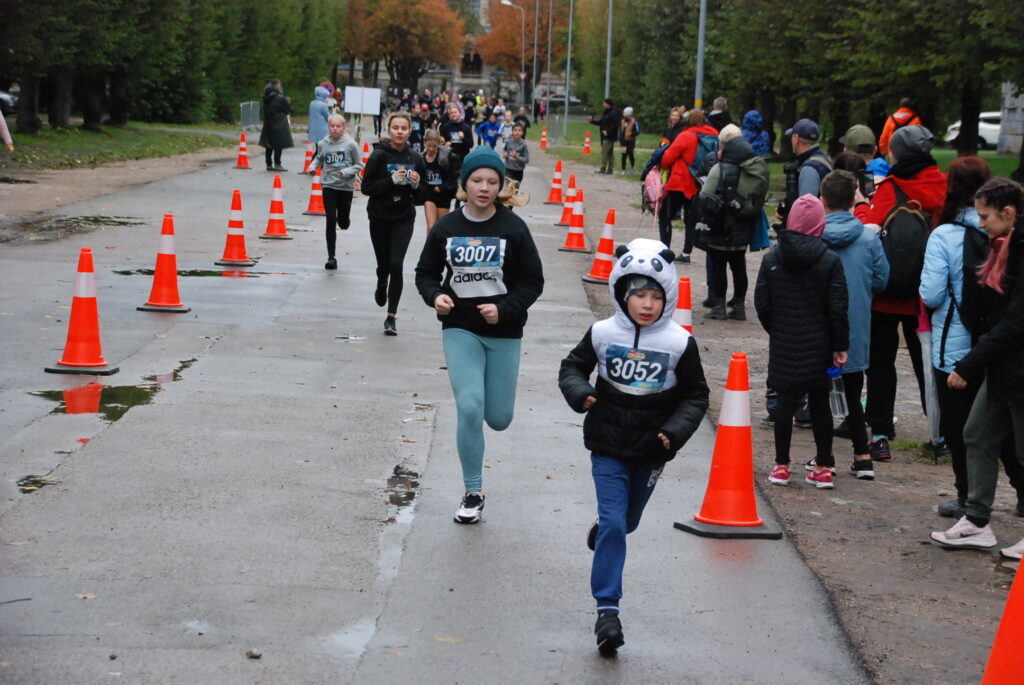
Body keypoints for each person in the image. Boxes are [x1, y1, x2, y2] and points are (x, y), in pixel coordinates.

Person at [558, 238, 709, 656]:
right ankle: (607, 611)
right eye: (639, 295)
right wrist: (581, 392)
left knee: (626, 522)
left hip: (651, 449)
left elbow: (696, 396)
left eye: (656, 296)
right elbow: (572, 367)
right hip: (607, 445)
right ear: (622, 292)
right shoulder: (603, 333)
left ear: (668, 297)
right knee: (613, 522)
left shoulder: (679, 342)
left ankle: (608, 529)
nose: (647, 304)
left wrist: (674, 432)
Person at [415, 146, 544, 526]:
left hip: (504, 331)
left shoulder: (513, 229)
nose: (484, 188)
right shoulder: (446, 228)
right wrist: (435, 296)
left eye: (491, 181)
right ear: (464, 184)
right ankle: (473, 492)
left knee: (499, 418)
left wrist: (504, 309)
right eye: (477, 181)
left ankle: (486, 440)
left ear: (500, 186)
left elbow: (532, 282)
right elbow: (425, 274)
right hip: (460, 328)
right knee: (470, 407)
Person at [919, 160, 1024, 520]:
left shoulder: (948, 236)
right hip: (996, 353)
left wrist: (968, 362)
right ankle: (988, 510)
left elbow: (932, 293)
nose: (981, 223)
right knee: (988, 431)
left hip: (969, 349)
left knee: (971, 430)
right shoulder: (1004, 240)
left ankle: (970, 500)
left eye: (986, 216)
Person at [853, 125, 947, 461]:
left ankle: (880, 430)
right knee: (929, 364)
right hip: (926, 293)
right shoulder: (943, 185)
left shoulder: (891, 187)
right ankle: (940, 431)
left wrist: (861, 206)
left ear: (898, 153)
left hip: (887, 291)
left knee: (881, 362)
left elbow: (869, 230)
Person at [756, 194, 849, 489]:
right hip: (820, 342)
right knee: (820, 403)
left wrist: (777, 329)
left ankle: (781, 465)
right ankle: (823, 466)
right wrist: (840, 345)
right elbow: (838, 307)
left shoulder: (772, 258)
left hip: (784, 339)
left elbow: (762, 302)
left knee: (785, 401)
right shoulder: (830, 260)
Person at [820, 171, 890, 479]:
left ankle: (824, 458)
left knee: (820, 395)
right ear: (853, 200)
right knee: (853, 391)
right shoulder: (868, 238)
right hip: (857, 324)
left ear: (823, 200)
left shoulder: (815, 236)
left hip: (821, 324)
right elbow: (882, 279)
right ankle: (863, 456)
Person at [361, 111, 427, 336]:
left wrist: (416, 185)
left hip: (403, 217)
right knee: (384, 264)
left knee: (396, 265)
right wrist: (390, 181)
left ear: (409, 132)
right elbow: (366, 187)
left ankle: (391, 317)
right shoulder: (379, 156)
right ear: (388, 130)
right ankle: (382, 281)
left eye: (404, 128)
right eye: (396, 128)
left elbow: (422, 195)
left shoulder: (416, 158)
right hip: (379, 216)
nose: (399, 131)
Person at [697, 125, 769, 321]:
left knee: (718, 268)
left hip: (720, 227)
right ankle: (739, 306)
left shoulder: (718, 169)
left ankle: (719, 307)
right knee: (739, 268)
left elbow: (705, 194)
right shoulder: (748, 170)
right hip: (742, 226)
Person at [659, 108, 718, 259]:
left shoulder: (686, 135)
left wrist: (663, 166)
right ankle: (686, 252)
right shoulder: (714, 135)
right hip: (700, 182)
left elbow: (668, 157)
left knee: (665, 216)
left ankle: (665, 249)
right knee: (691, 219)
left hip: (680, 181)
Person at [309, 114, 363, 270]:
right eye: (332, 126)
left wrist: (346, 172)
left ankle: (344, 220)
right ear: (328, 127)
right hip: (328, 185)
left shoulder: (350, 145)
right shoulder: (323, 143)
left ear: (344, 128)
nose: (335, 129)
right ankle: (331, 257)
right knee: (331, 219)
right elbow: (319, 158)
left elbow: (359, 164)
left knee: (343, 223)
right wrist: (312, 167)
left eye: (338, 126)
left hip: (345, 186)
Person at [421, 129, 461, 232]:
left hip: (444, 196)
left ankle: (439, 243)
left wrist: (443, 186)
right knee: (431, 227)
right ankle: (430, 243)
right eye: (429, 146)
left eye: (434, 146)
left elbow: (454, 176)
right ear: (424, 143)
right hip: (429, 195)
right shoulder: (421, 158)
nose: (431, 149)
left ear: (438, 144)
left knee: (441, 228)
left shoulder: (447, 157)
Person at [258, 79, 293, 171]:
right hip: (279, 123)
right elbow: (288, 110)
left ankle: (268, 164)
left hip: (268, 123)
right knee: (278, 145)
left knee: (268, 144)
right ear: (277, 86)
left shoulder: (266, 97)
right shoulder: (280, 98)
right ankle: (277, 164)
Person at [587, 98, 621, 175]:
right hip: (604, 136)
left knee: (604, 152)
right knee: (609, 153)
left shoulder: (613, 113)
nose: (603, 105)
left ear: (608, 104)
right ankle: (610, 170)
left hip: (610, 136)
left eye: (604, 103)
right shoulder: (606, 113)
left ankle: (603, 168)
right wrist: (592, 121)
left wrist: (608, 131)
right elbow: (601, 122)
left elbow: (615, 125)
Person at [618, 107, 639, 174]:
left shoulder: (634, 122)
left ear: (628, 114)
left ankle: (633, 167)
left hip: (630, 141)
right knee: (623, 155)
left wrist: (631, 134)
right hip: (623, 141)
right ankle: (623, 169)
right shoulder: (622, 121)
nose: (623, 114)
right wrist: (620, 138)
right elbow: (620, 130)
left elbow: (638, 131)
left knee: (630, 154)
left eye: (624, 112)